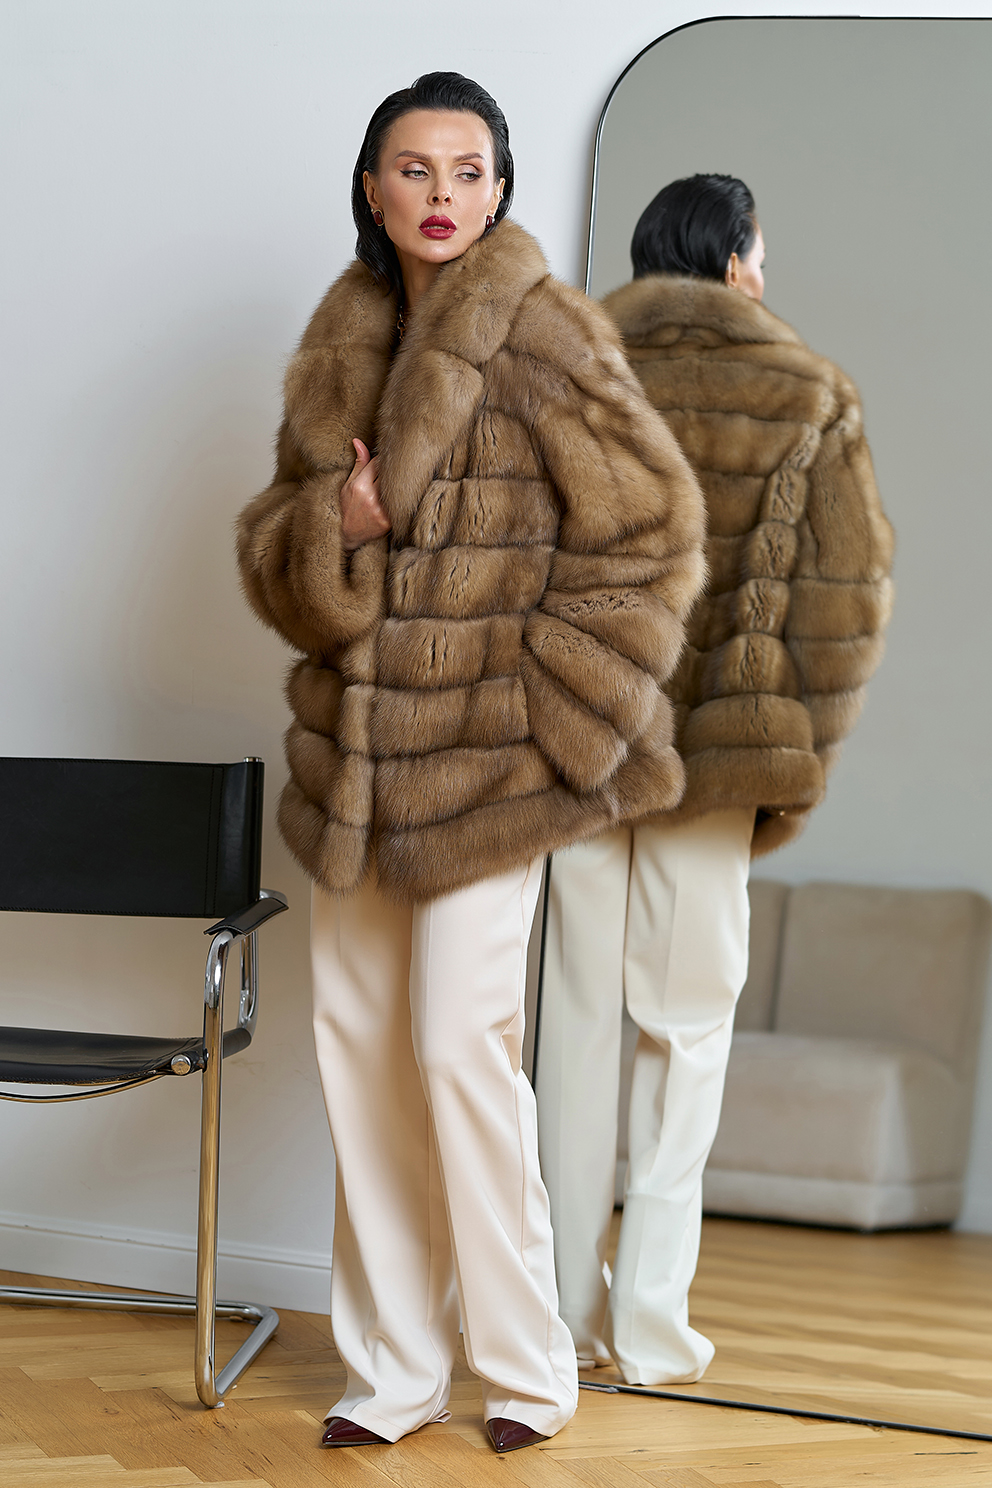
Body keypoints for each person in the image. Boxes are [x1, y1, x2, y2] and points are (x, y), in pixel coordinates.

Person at [236, 76, 706, 1452]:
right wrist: (337, 527)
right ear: (372, 188)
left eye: (467, 170)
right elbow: (274, 548)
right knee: (358, 1056)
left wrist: (554, 716)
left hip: (491, 778)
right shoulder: (339, 341)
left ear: (498, 190)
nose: (441, 195)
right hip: (356, 773)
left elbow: (652, 532)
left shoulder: (547, 330)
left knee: (460, 1048)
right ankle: (393, 1370)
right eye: (413, 169)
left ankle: (526, 1366)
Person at [536, 173, 894, 1386]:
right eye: (761, 254)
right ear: (735, 260)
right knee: (683, 1032)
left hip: (583, 745)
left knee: (572, 1028)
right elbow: (840, 614)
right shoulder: (807, 392)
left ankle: (556, 1321)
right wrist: (788, 747)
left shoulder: (569, 372)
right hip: (718, 755)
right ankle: (648, 1327)